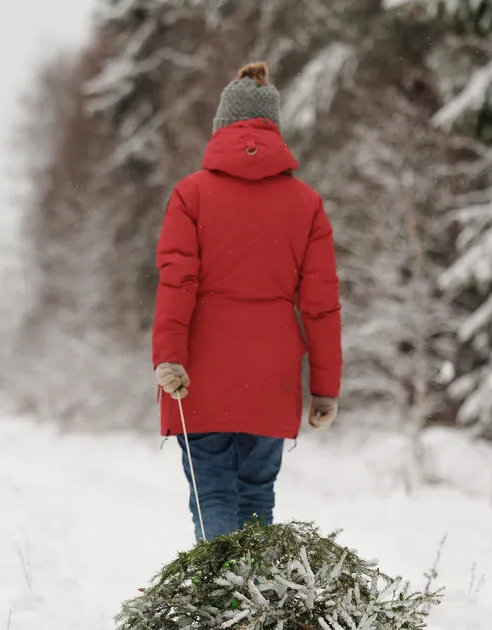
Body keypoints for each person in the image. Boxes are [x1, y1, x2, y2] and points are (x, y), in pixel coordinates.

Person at [151, 61, 343, 542]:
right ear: (274, 130)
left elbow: (177, 283)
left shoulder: (190, 195)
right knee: (257, 495)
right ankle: (252, 608)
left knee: (213, 493)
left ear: (221, 128)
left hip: (201, 369)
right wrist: (324, 386)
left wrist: (169, 357)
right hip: (272, 372)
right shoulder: (306, 203)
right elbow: (321, 304)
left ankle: (220, 603)